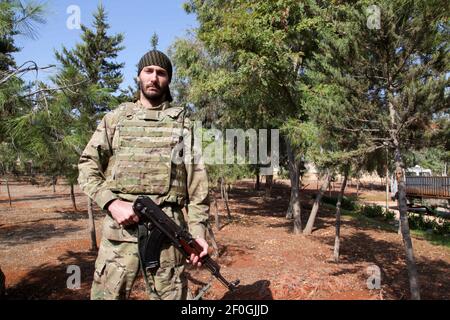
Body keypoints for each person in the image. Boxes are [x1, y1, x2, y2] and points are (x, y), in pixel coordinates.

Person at [78, 50, 210, 300]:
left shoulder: (183, 126)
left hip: (168, 237)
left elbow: (197, 187)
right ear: (138, 76)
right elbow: (87, 166)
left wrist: (198, 233)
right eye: (148, 71)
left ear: (168, 80)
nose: (154, 77)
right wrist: (111, 202)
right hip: (120, 233)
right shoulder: (115, 119)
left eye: (161, 73)